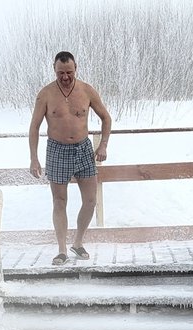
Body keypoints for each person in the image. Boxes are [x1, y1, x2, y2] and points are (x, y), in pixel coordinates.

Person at [28, 51, 112, 266]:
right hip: (57, 150)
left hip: (83, 149)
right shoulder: (45, 94)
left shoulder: (87, 90)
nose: (65, 77)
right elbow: (34, 127)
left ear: (76, 68)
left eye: (69, 72)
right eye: (60, 73)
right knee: (59, 201)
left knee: (91, 200)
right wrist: (34, 158)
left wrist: (103, 144)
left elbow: (106, 118)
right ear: (54, 70)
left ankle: (78, 242)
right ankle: (62, 250)